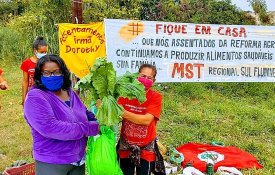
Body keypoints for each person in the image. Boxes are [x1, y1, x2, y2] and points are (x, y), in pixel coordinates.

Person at [24, 54, 99, 175]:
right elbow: (50, 127)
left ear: (63, 73)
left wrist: (99, 120)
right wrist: (89, 128)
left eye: (57, 72)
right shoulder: (36, 97)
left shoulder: (68, 91)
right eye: (47, 73)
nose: (52, 76)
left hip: (78, 160)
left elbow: (83, 112)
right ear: (39, 75)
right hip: (52, 162)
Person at [117, 64, 166, 175]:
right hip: (126, 146)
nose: (145, 80)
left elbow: (146, 120)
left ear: (154, 81)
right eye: (143, 76)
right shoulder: (125, 94)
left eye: (149, 78)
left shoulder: (156, 97)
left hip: (146, 148)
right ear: (136, 76)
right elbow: (115, 117)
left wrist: (121, 111)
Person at [21, 36, 48, 105]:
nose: (44, 54)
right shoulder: (26, 63)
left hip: (46, 94)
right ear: (35, 51)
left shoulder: (48, 62)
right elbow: (25, 82)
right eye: (42, 52)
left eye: (45, 52)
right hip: (32, 94)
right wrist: (24, 98)